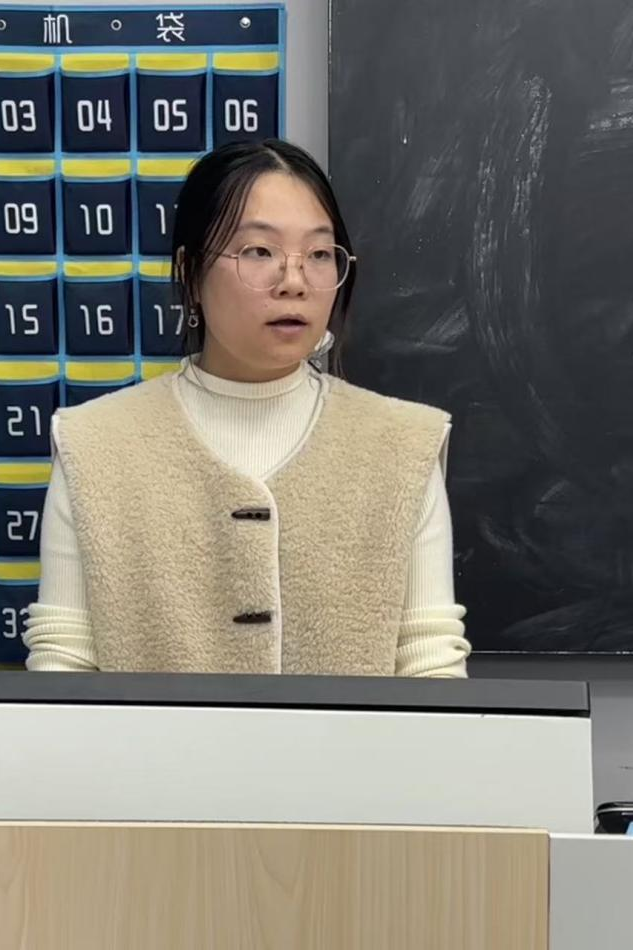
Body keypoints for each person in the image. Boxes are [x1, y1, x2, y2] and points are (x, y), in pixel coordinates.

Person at [23, 139, 470, 677]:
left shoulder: (402, 447)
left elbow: (430, 669)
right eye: (259, 252)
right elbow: (64, 669)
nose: (294, 282)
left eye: (319, 255)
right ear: (190, 271)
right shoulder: (96, 447)